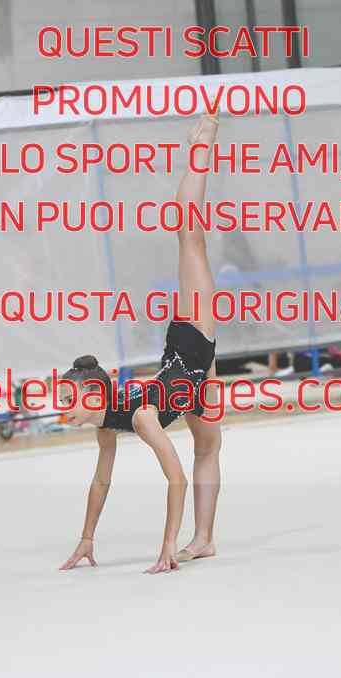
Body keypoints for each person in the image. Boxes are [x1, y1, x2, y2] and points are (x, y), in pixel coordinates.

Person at [58, 110, 222, 575]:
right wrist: (87, 537)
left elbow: (175, 478)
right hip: (189, 373)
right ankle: (204, 540)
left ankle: (203, 144)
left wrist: (165, 546)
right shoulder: (105, 423)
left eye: (68, 398)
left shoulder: (141, 417)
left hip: (192, 337)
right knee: (207, 447)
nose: (63, 408)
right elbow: (101, 481)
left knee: (189, 235)